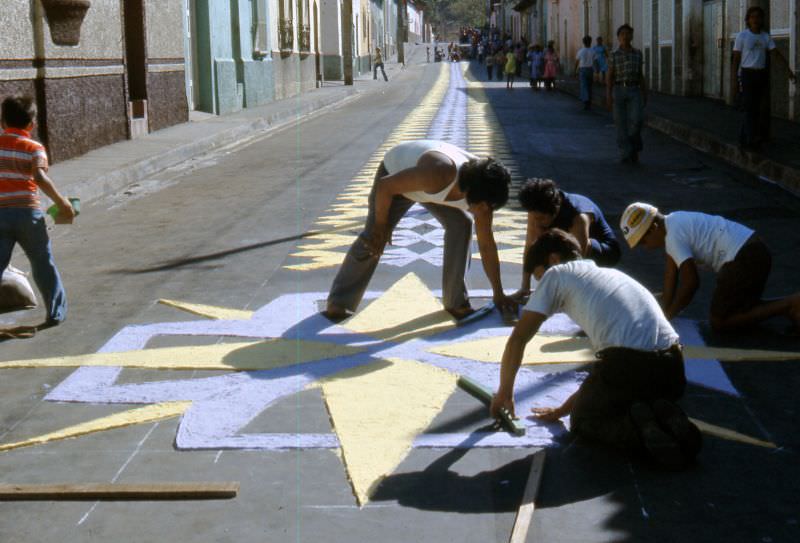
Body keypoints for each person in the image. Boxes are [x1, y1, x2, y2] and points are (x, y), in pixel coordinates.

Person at [491, 230, 701, 470]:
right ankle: (666, 417)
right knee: (625, 395)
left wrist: (505, 393)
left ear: (553, 259)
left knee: (585, 421)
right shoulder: (612, 276)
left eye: (540, 277)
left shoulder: (557, 274)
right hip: (673, 368)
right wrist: (562, 408)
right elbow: (603, 373)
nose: (542, 287)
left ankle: (639, 433)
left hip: (631, 365)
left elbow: (518, 339)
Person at [324, 140, 518, 322]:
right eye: (483, 206)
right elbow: (386, 186)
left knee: (462, 224)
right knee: (373, 237)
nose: (485, 212)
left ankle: (455, 301)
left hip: (429, 188)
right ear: (470, 193)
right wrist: (381, 226)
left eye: (489, 207)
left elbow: (486, 245)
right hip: (395, 177)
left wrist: (498, 294)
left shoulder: (485, 192)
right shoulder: (438, 173)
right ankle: (339, 302)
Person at [620, 203, 800, 334]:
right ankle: (789, 306)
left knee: (720, 322)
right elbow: (671, 275)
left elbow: (691, 283)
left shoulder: (673, 237)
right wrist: (664, 309)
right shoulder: (675, 222)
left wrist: (668, 317)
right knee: (742, 310)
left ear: (654, 227)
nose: (645, 247)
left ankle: (790, 303)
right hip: (755, 252)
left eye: (643, 241)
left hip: (744, 258)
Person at [0, 95, 75, 332]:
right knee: (43, 263)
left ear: (2, 122)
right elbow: (40, 178)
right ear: (31, 124)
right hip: (29, 215)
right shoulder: (34, 148)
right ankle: (56, 312)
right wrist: (62, 203)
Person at [515, 178, 620, 298]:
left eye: (541, 219)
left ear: (554, 212)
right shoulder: (536, 210)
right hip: (564, 241)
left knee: (559, 256)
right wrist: (525, 286)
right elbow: (530, 246)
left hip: (604, 251)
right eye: (535, 218)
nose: (537, 222)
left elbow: (578, 260)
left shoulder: (579, 216)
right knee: (540, 258)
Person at [732, 6, 796, 151]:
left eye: (758, 17)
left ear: (761, 20)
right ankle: (751, 139)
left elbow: (776, 54)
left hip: (760, 74)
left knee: (758, 108)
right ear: (748, 19)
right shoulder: (742, 36)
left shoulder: (765, 37)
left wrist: (788, 70)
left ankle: (745, 138)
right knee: (749, 107)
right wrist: (734, 81)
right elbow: (735, 59)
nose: (755, 19)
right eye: (752, 17)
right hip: (747, 74)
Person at [606, 24, 647, 164]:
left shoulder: (638, 53)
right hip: (618, 90)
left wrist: (644, 92)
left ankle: (633, 147)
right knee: (620, 123)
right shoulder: (614, 55)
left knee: (637, 120)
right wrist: (609, 95)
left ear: (632, 36)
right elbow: (610, 75)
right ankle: (626, 153)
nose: (625, 36)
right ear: (618, 37)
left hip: (634, 90)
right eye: (622, 34)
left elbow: (640, 75)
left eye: (627, 33)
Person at [575, 35, 596, 110]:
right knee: (589, 86)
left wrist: (575, 70)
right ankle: (589, 101)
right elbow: (595, 61)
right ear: (590, 42)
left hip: (583, 70)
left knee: (584, 86)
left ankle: (586, 101)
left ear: (583, 42)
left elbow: (577, 62)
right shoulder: (593, 51)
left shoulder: (580, 51)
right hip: (590, 69)